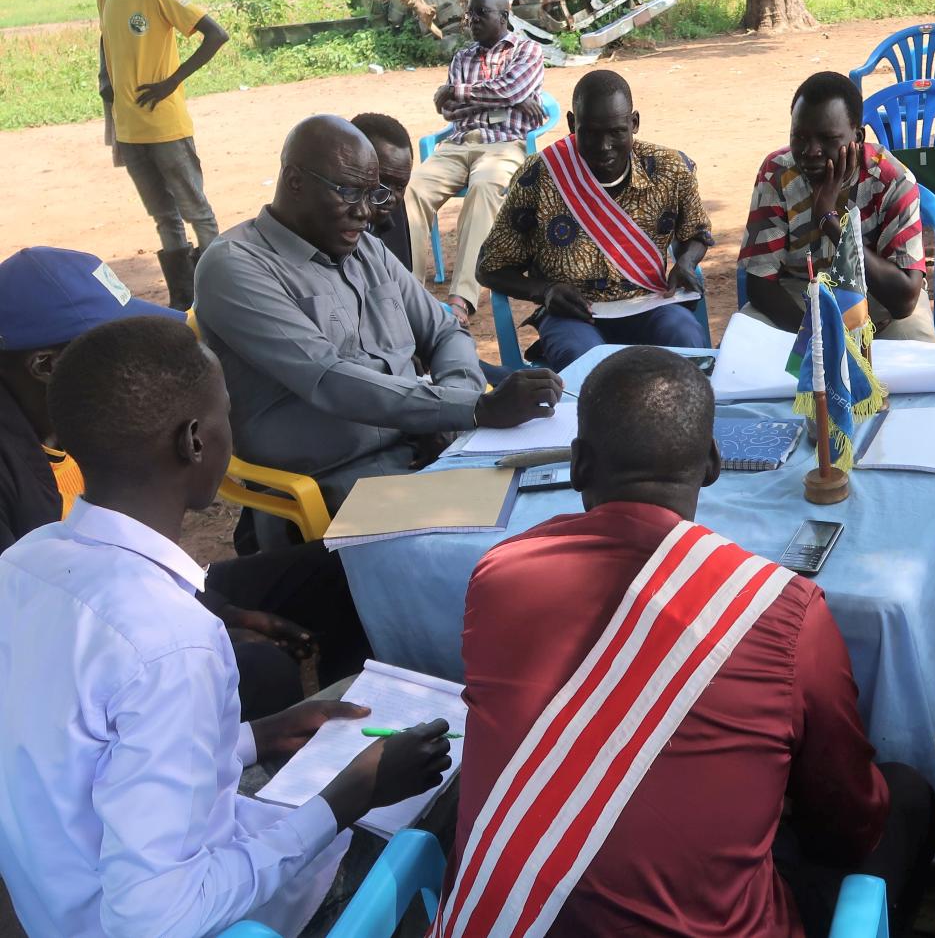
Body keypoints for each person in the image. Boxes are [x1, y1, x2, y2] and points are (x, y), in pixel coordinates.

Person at [441, 347, 935, 937]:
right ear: (712, 464)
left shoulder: (499, 573)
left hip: (498, 921)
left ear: (577, 465)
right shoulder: (783, 610)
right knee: (906, 795)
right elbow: (848, 822)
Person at [0, 314, 454, 936]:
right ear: (194, 440)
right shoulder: (171, 642)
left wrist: (254, 738)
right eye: (226, 416)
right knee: (452, 807)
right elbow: (158, 918)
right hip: (194, 918)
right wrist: (348, 798)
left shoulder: (26, 563)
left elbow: (82, 758)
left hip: (55, 905)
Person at [0, 246, 374, 719]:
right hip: (82, 646)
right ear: (46, 366)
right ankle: (270, 759)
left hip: (138, 589)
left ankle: (360, 712)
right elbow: (41, 630)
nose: (137, 356)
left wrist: (220, 608)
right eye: (116, 341)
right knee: (258, 669)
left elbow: (137, 559)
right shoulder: (34, 456)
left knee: (340, 568)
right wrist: (192, 629)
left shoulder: (76, 420)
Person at [195, 115, 560, 549]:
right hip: (339, 478)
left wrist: (450, 413)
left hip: (427, 447)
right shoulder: (236, 266)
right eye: (349, 192)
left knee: (555, 503)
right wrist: (470, 410)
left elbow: (445, 330)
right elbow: (328, 378)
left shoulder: (363, 248)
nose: (366, 212)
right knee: (501, 551)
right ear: (294, 182)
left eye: (373, 194)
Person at [477, 70, 714, 371]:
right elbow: (489, 268)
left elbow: (697, 232)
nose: (604, 146)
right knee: (585, 362)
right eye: (590, 132)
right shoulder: (539, 176)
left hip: (649, 303)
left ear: (634, 123)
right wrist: (545, 291)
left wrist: (686, 262)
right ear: (572, 124)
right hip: (572, 315)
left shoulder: (670, 169)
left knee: (686, 342)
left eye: (616, 132)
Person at [739, 71, 935, 342]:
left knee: (916, 344)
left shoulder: (892, 180)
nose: (811, 151)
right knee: (745, 338)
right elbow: (760, 284)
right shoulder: (777, 173)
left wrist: (830, 221)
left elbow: (904, 301)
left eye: (828, 138)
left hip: (878, 303)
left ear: (858, 137)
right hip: (800, 298)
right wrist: (817, 338)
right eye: (799, 137)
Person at [405, 0, 545, 324]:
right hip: (457, 144)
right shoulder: (462, 58)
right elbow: (450, 111)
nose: (472, 20)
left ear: (504, 16)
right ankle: (406, 294)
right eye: (470, 14)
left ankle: (461, 299)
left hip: (504, 145)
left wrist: (463, 92)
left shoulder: (527, 51)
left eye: (481, 13)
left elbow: (508, 89)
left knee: (484, 189)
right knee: (411, 191)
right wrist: (508, 99)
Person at [98, 0, 228, 309]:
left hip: (166, 128)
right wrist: (106, 80)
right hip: (129, 130)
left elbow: (216, 35)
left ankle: (220, 291)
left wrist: (172, 82)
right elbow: (106, 37)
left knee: (197, 211)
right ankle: (183, 298)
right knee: (164, 217)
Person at [352, 112, 415, 273]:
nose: (390, 197)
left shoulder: (390, 209)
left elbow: (403, 277)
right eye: (380, 183)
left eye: (400, 187)